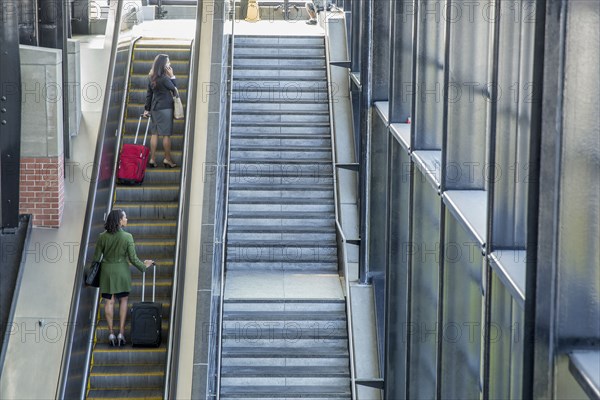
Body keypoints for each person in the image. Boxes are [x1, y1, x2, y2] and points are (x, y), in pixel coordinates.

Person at [93, 209, 154, 346]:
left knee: (108, 301)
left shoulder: (102, 236)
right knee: (123, 301)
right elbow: (133, 258)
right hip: (121, 272)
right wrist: (144, 266)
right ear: (119, 220)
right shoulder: (128, 237)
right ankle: (121, 332)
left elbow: (96, 258)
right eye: (125, 217)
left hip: (107, 272)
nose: (127, 219)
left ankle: (110, 333)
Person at [143, 54, 180, 168]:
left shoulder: (151, 77)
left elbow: (149, 95)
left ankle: (152, 159)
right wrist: (172, 76)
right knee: (166, 135)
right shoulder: (164, 79)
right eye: (168, 62)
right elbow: (175, 90)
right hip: (166, 109)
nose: (169, 64)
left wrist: (146, 109)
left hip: (155, 109)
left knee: (154, 134)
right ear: (163, 65)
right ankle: (167, 159)